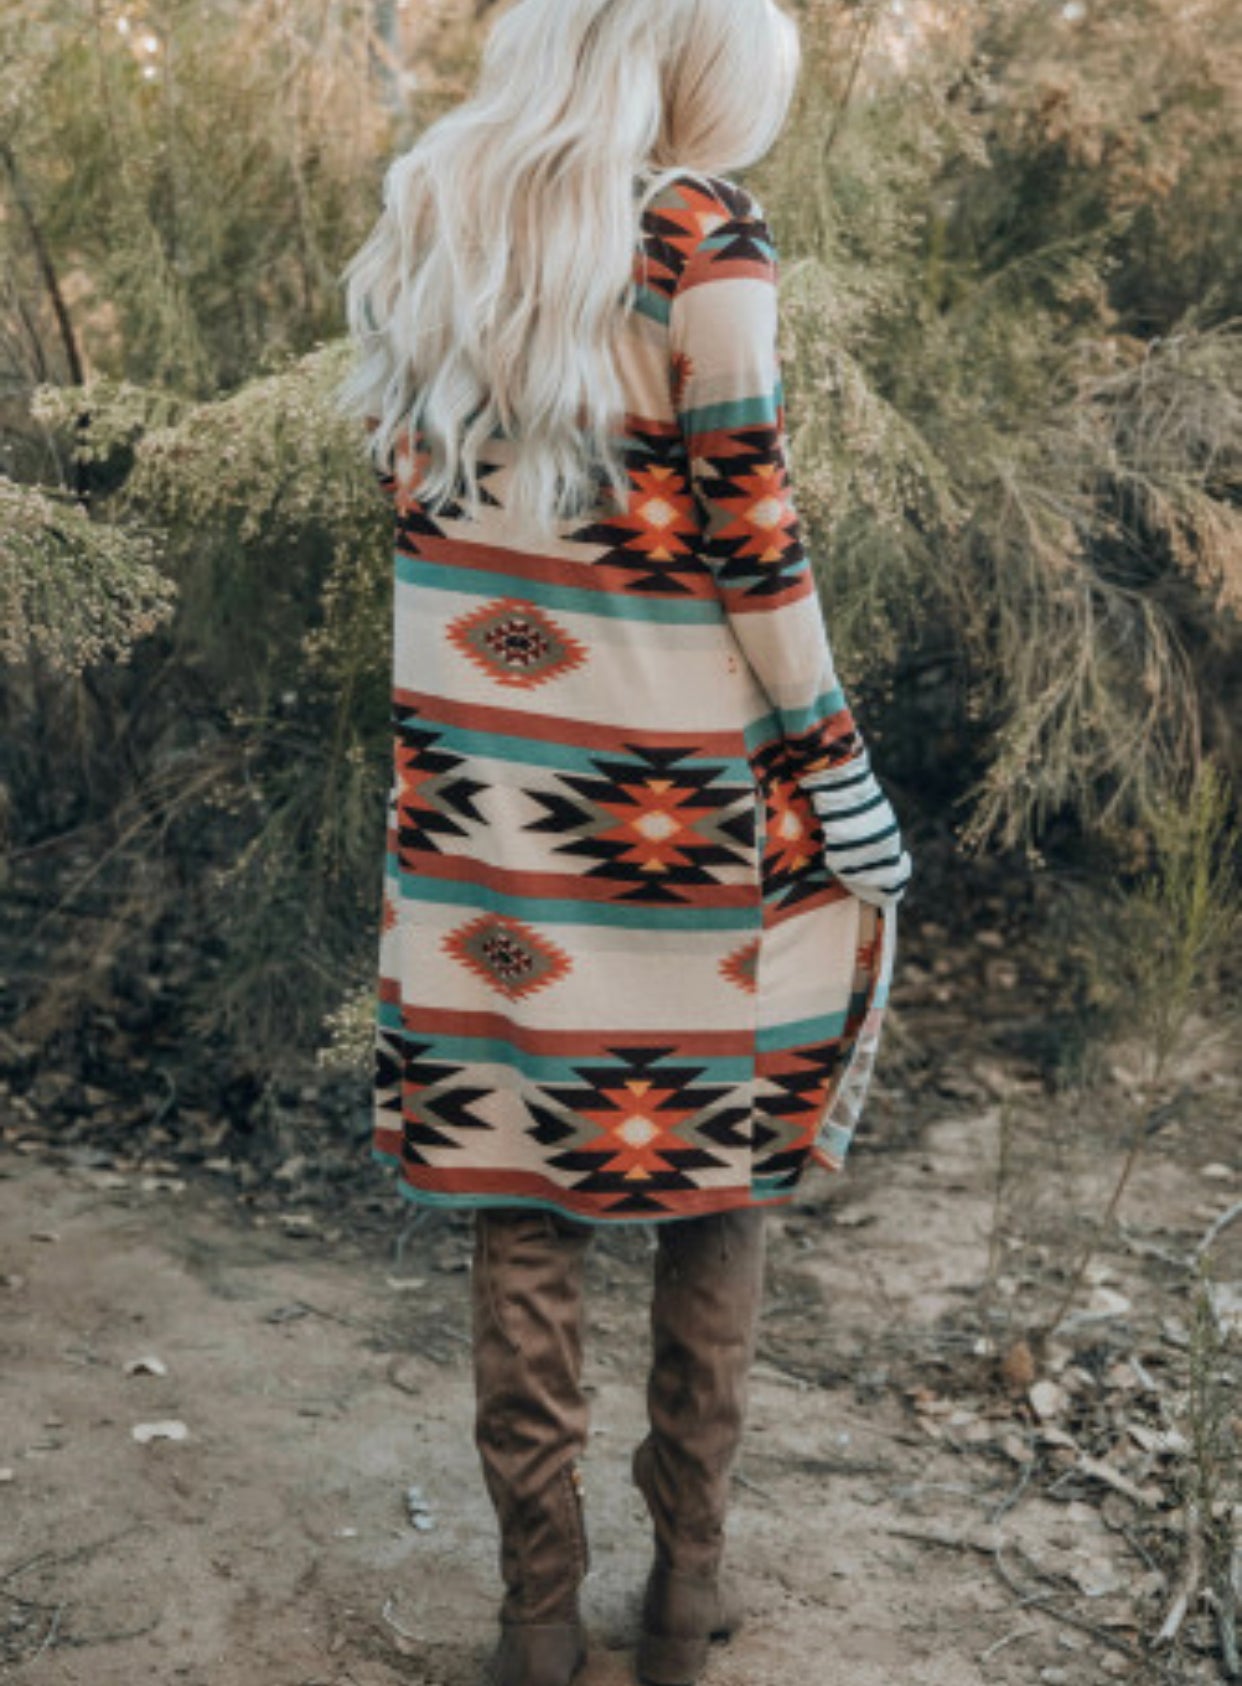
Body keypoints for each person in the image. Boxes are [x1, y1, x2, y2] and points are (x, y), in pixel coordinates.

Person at [336, 3, 911, 1683]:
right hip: (682, 808)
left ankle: (532, 1617)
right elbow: (753, 523)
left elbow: (411, 486)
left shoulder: (432, 208)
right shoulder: (698, 235)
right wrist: (832, 753)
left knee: (524, 1179)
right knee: (706, 1159)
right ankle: (682, 1589)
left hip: (482, 800)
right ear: (692, 61)